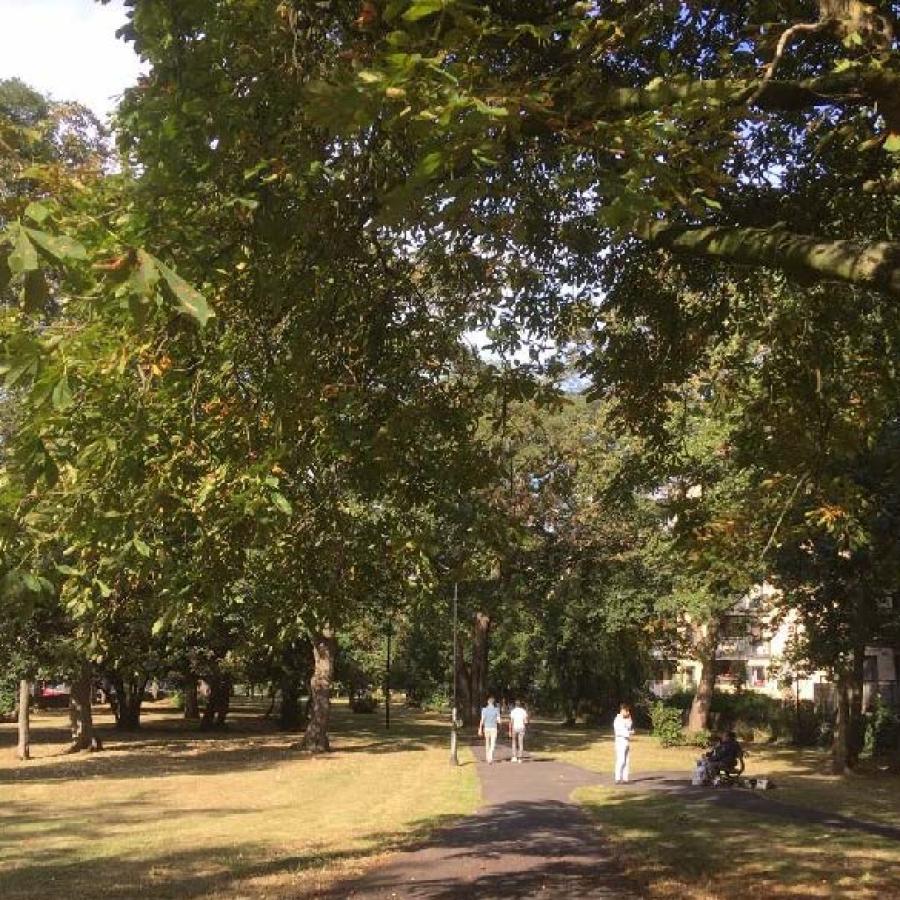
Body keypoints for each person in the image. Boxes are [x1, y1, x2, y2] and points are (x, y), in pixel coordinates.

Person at [613, 703, 634, 784]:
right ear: (622, 710)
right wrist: (629, 733)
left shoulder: (626, 719)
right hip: (620, 741)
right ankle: (618, 778)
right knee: (621, 760)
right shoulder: (617, 720)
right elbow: (620, 731)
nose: (628, 712)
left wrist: (629, 719)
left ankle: (625, 778)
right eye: (627, 711)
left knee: (626, 761)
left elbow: (629, 726)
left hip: (626, 741)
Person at [478, 696, 501, 764]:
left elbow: (482, 720)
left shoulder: (484, 710)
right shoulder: (496, 710)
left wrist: (480, 728)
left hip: (486, 728)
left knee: (487, 743)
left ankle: (488, 757)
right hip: (494, 728)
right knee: (493, 743)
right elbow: (499, 720)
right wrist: (499, 725)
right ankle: (490, 756)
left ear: (488, 702)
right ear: (493, 702)